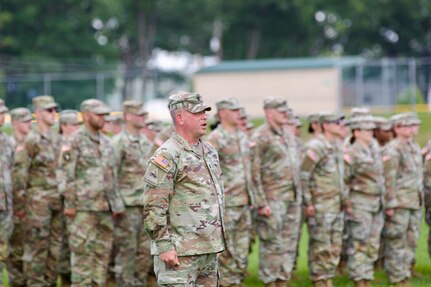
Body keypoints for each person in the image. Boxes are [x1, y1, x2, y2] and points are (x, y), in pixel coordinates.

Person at [142, 91, 225, 286]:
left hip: (208, 249)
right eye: (197, 113)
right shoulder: (167, 155)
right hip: (180, 253)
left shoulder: (209, 151)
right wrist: (164, 246)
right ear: (180, 118)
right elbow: (154, 206)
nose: (204, 117)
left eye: (204, 112)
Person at [61, 99, 125, 286]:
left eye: (105, 115)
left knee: (101, 260)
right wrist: (71, 204)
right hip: (83, 211)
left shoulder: (106, 142)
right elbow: (65, 175)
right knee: (82, 261)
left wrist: (116, 205)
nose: (103, 118)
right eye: (99, 114)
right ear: (86, 115)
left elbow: (111, 176)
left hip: (105, 210)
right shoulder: (74, 141)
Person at [251, 97, 301, 287]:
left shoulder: (288, 135)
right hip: (272, 200)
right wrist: (261, 202)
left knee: (288, 245)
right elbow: (254, 172)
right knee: (272, 245)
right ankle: (270, 282)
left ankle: (283, 281)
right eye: (281, 110)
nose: (285, 113)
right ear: (268, 112)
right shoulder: (260, 136)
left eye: (286, 110)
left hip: (292, 198)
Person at [207, 98, 254, 287]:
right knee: (226, 250)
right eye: (234, 111)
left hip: (244, 201)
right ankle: (226, 283)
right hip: (227, 203)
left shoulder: (242, 136)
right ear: (223, 113)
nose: (239, 114)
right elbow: (208, 173)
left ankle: (236, 281)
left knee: (242, 249)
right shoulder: (215, 139)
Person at [301, 112, 347, 287]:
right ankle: (320, 281)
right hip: (321, 206)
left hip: (336, 205)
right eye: (337, 122)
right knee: (321, 246)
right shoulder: (316, 146)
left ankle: (328, 279)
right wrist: (309, 202)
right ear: (326, 125)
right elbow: (304, 174)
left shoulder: (336, 146)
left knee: (334, 246)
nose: (341, 125)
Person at [22, 95, 63, 286]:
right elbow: (21, 173)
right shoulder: (31, 139)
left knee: (55, 249)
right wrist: (22, 203)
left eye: (55, 110)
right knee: (37, 248)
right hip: (37, 202)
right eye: (49, 110)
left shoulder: (57, 138)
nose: (54, 113)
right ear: (38, 113)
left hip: (57, 201)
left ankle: (49, 282)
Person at [111, 100, 152, 286]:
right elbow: (110, 175)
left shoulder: (145, 142)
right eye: (140, 115)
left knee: (144, 253)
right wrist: (116, 205)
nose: (144, 118)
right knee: (126, 253)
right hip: (126, 208)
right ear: (128, 116)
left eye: (144, 115)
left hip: (146, 207)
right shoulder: (118, 142)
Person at [343, 116, 385, 287]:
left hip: (376, 202)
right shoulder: (352, 152)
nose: (371, 133)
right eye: (367, 130)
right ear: (357, 132)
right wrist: (347, 202)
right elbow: (344, 178)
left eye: (371, 130)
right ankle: (359, 280)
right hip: (360, 202)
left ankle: (367, 276)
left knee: (373, 243)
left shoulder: (373, 150)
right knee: (360, 242)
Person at [382, 113, 422, 286]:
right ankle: (397, 277)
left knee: (411, 240)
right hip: (399, 202)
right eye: (407, 126)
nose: (412, 129)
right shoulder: (393, 149)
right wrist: (390, 203)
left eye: (413, 125)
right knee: (397, 240)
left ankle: (405, 273)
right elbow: (388, 178)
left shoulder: (413, 147)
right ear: (397, 128)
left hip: (413, 201)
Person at [8, 107, 33, 286]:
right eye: (25, 121)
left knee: (32, 251)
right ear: (15, 123)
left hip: (33, 205)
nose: (29, 125)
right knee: (15, 253)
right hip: (14, 206)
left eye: (30, 121)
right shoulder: (9, 144)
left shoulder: (32, 143)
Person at [57, 110, 82, 287]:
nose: (76, 128)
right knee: (62, 247)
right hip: (59, 202)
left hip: (76, 202)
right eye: (73, 124)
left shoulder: (78, 143)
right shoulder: (58, 144)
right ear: (64, 126)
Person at [0, 99, 14, 284]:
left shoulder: (8, 142)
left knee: (2, 252)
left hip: (5, 207)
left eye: (3, 113)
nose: (1, 117)